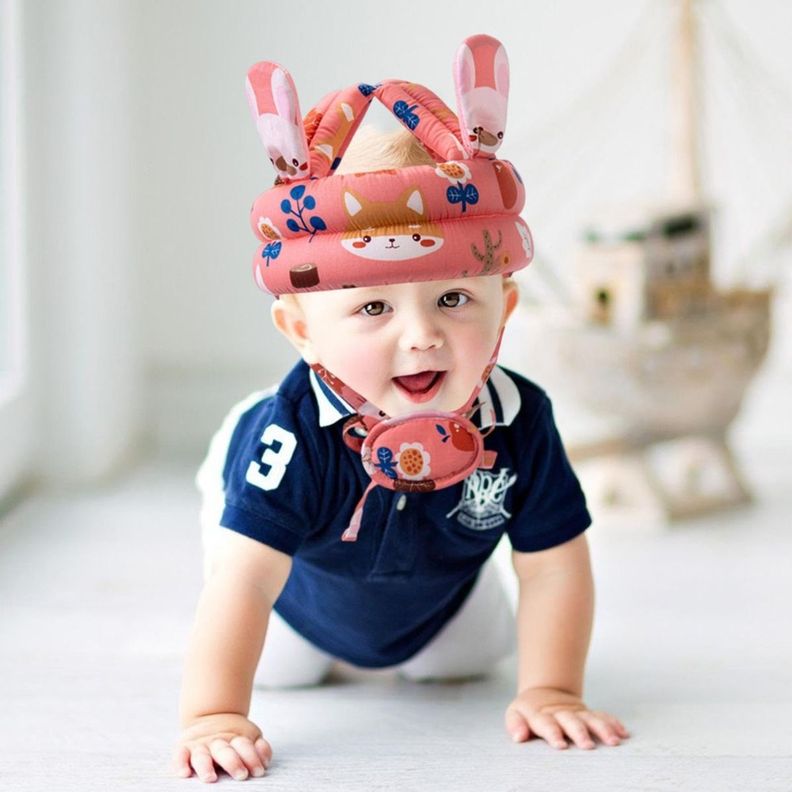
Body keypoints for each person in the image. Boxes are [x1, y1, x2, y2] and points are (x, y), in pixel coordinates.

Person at [172, 35, 629, 784]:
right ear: (300, 330)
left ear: (505, 305)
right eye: (373, 307)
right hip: (295, 598)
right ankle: (228, 468)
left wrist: (551, 689)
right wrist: (213, 714)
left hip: (437, 595)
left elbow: (552, 567)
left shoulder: (519, 416)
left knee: (466, 660)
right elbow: (246, 583)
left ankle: (440, 614)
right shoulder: (293, 435)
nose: (422, 337)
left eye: (454, 298)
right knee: (285, 668)